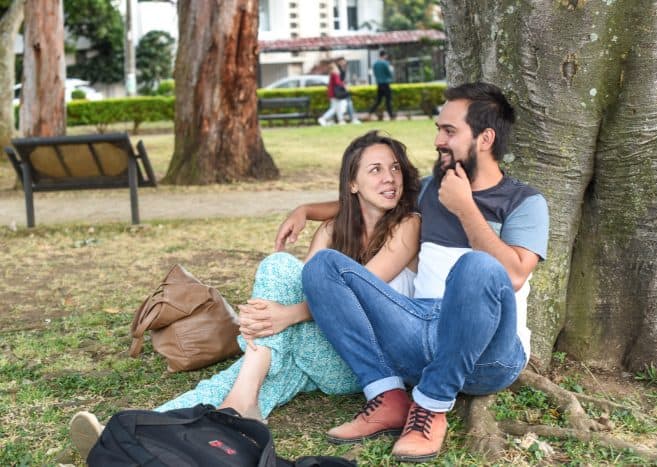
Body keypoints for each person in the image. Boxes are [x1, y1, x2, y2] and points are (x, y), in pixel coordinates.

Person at [68, 130, 422, 460]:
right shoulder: (331, 230)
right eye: (375, 169)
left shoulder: (408, 226)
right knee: (256, 364)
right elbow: (309, 288)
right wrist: (282, 314)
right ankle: (139, 434)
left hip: (364, 362)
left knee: (279, 270)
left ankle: (237, 395)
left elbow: (358, 292)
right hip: (315, 352)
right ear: (353, 183)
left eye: (394, 168)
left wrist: (285, 316)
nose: (388, 178)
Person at [275, 82, 549, 463]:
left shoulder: (525, 201)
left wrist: (466, 209)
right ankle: (387, 395)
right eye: (439, 128)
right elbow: (374, 195)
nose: (438, 139)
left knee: (478, 266)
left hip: (489, 354)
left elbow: (515, 274)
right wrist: (306, 209)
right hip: (418, 332)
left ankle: (432, 406)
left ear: (484, 139)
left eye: (449, 131)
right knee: (325, 266)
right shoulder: (430, 189)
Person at [367, 50, 395, 120]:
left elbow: (374, 73)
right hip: (386, 83)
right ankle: (391, 116)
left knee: (378, 101)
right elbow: (389, 73)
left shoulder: (375, 64)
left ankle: (369, 114)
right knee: (388, 100)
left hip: (379, 83)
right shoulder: (385, 63)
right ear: (385, 55)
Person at [335, 57, 361, 124]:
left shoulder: (343, 69)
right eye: (342, 61)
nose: (344, 63)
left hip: (342, 90)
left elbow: (342, 80)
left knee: (348, 103)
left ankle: (352, 118)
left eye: (344, 61)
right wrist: (344, 86)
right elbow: (339, 81)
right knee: (346, 103)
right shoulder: (338, 70)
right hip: (340, 90)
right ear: (339, 62)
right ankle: (352, 119)